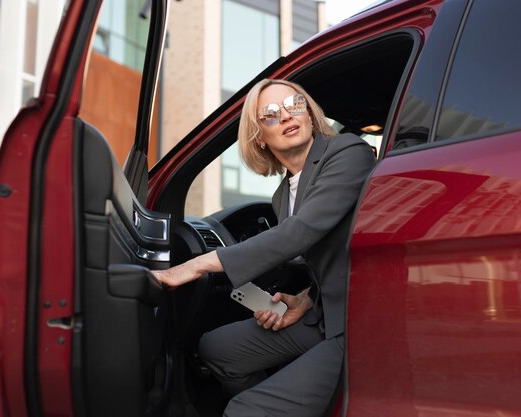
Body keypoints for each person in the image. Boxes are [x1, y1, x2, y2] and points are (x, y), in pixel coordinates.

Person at [154, 79, 376, 417]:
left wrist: (196, 265)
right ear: (259, 136)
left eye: (294, 104)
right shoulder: (282, 195)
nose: (286, 116)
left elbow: (300, 233)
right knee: (216, 348)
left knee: (245, 411)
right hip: (320, 314)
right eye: (270, 114)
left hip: (355, 323)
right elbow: (328, 253)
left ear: (310, 114)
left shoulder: (348, 151)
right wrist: (305, 298)